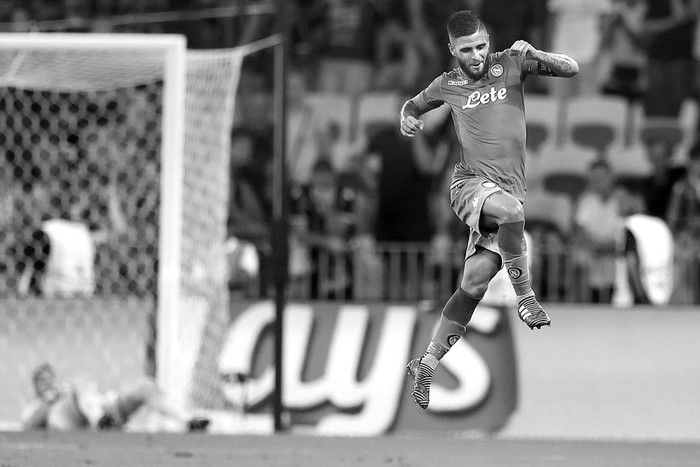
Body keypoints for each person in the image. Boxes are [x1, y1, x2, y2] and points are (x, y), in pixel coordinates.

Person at [401, 10, 579, 409]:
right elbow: (412, 105)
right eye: (467, 49)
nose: (477, 55)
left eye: (481, 45)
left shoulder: (512, 63)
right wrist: (408, 120)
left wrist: (537, 52)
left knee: (475, 284)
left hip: (503, 194)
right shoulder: (447, 85)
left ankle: (426, 363)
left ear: (489, 39)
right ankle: (526, 297)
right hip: (469, 186)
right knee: (513, 212)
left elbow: (571, 68)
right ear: (452, 50)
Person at [21, 363, 210, 433]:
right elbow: (27, 423)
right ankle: (99, 421)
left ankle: (187, 420)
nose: (47, 384)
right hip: (71, 422)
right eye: (42, 381)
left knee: (145, 385)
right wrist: (48, 401)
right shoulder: (40, 405)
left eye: (50, 379)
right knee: (82, 382)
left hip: (100, 410)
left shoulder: (67, 391)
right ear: (35, 386)